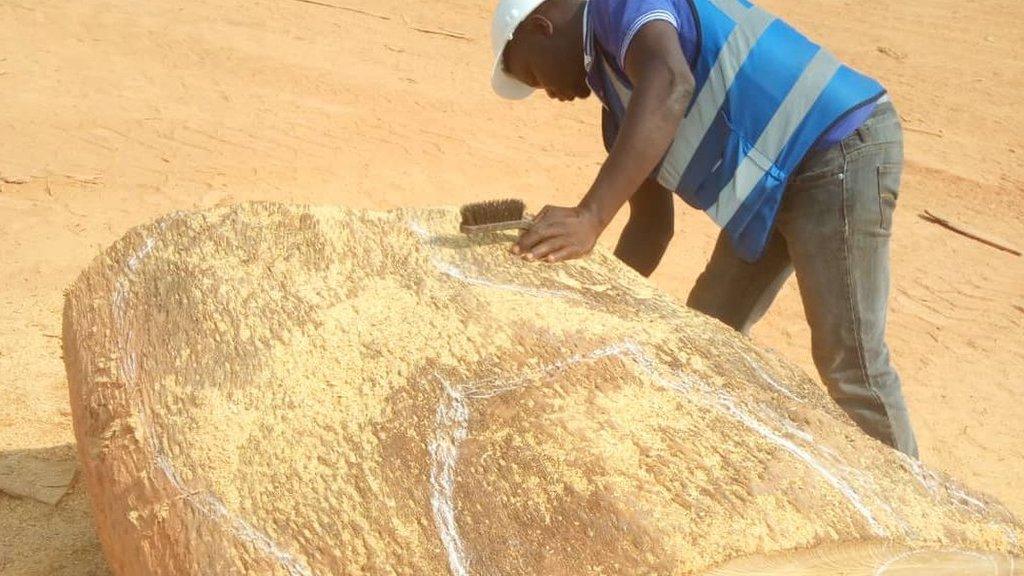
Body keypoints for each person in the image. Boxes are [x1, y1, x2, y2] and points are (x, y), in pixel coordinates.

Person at [490, 0, 919, 457]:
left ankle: (926, 515)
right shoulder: (621, 111)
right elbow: (650, 230)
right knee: (709, 329)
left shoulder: (622, 7)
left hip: (836, 150)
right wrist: (595, 301)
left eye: (533, 77)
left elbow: (672, 82)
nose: (548, 93)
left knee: (849, 361)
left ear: (542, 27)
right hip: (773, 186)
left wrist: (590, 216)